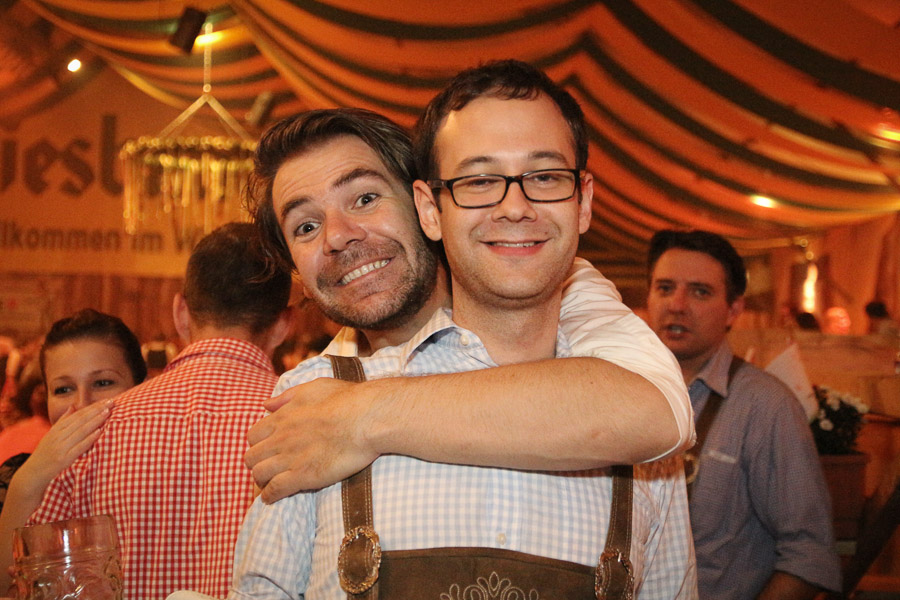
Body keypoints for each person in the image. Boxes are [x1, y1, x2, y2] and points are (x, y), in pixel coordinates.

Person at [228, 59, 695, 599]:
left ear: (583, 200)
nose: (515, 207)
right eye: (479, 181)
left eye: (544, 177)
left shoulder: (632, 400)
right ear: (432, 209)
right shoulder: (312, 402)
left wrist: (364, 417)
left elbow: (658, 411)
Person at [29, 223, 294, 600]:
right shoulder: (302, 419)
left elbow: (38, 577)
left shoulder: (91, 430)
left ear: (181, 312)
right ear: (284, 325)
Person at [645, 229, 840, 599]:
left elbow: (810, 556)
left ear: (734, 309)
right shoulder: (618, 392)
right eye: (665, 288)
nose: (677, 305)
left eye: (700, 292)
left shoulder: (766, 407)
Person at [0, 308, 146, 593]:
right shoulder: (18, 474)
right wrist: (28, 480)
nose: (82, 403)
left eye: (103, 383)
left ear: (143, 388)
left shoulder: (162, 469)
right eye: (63, 389)